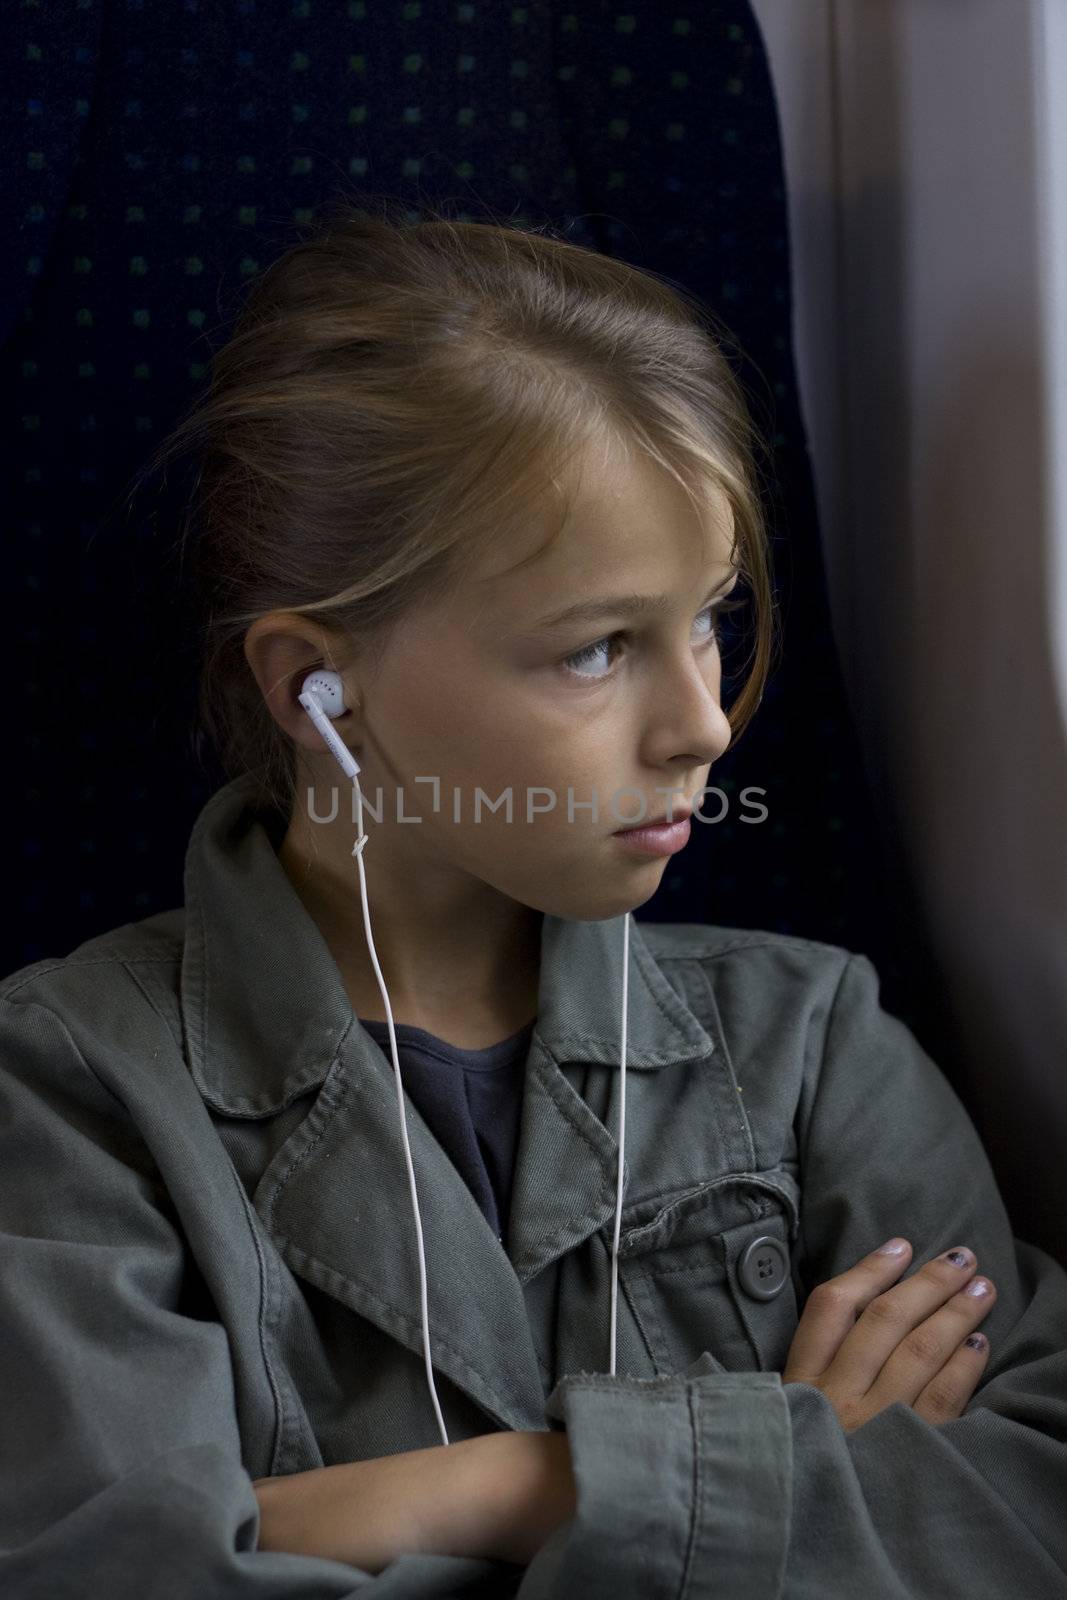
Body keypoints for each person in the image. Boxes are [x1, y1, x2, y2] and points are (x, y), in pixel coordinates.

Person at [2, 200, 1066, 1599]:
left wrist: (430, 1503)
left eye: (711, 621)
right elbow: (119, 1571)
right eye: (597, 649)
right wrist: (688, 1475)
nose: (705, 727)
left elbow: (1025, 1512)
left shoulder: (811, 1045)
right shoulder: (72, 1089)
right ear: (323, 688)